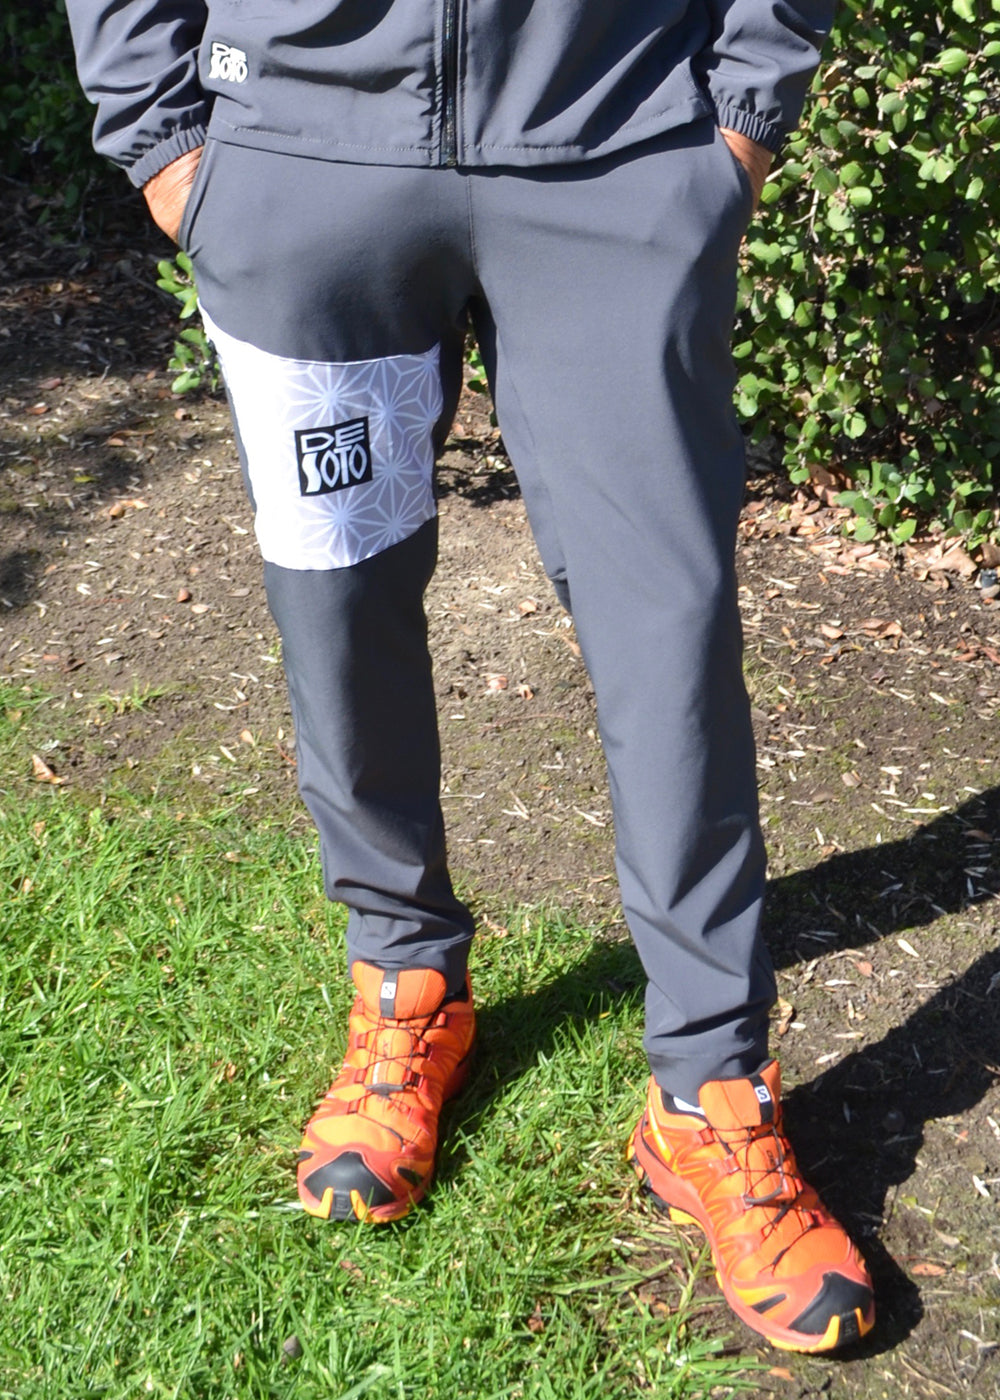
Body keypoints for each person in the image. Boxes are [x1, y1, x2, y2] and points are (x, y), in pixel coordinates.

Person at [66, 0, 875, 1353]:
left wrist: (741, 111)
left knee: (666, 632)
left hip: (613, 143)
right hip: (305, 158)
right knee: (340, 607)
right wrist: (166, 141)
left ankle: (710, 1087)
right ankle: (406, 987)